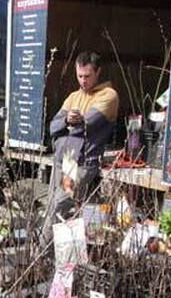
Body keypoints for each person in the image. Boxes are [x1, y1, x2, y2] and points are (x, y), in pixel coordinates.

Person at [41, 51, 119, 244]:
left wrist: (69, 123)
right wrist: (67, 120)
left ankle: (37, 257)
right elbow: (53, 126)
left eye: (87, 76)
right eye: (79, 76)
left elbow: (84, 125)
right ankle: (53, 259)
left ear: (98, 72)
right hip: (64, 159)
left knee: (58, 207)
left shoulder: (108, 95)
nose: (83, 81)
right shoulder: (73, 96)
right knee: (53, 207)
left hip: (82, 163)